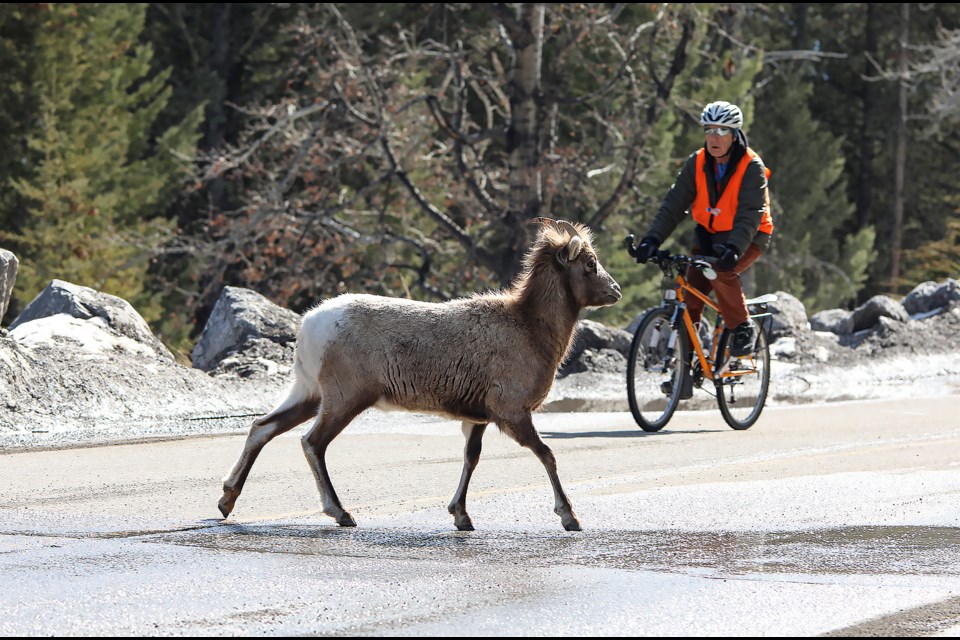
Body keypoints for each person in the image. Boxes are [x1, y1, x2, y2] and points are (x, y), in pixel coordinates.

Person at [634, 100, 774, 397]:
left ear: (735, 134)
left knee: (722, 272)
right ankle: (683, 378)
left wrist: (735, 248)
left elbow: (750, 213)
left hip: (749, 236)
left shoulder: (752, 166)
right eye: (709, 130)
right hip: (709, 236)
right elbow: (673, 206)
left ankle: (741, 328)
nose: (714, 137)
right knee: (688, 303)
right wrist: (651, 241)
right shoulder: (696, 162)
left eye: (721, 130)